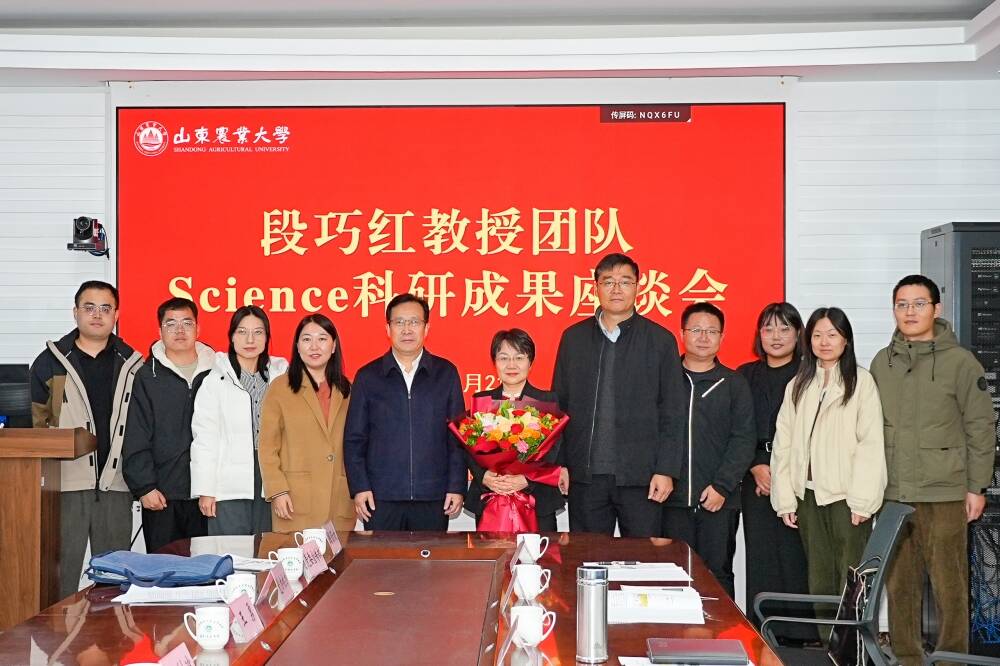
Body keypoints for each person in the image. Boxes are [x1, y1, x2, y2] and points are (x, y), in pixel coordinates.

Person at [870, 275, 996, 665]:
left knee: (950, 586)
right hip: (894, 494)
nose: (910, 312)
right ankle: (907, 656)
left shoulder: (961, 362)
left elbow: (981, 426)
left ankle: (952, 659)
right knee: (900, 585)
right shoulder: (882, 361)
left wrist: (977, 486)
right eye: (902, 304)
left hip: (945, 492)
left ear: (936, 309)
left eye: (919, 304)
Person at [552, 252, 686, 537]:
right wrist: (560, 463)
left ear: (637, 287)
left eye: (625, 282)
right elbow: (559, 406)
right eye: (608, 281)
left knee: (643, 559)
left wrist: (666, 470)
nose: (616, 289)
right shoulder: (573, 338)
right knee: (588, 556)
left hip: (642, 477)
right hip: (585, 476)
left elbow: (673, 412)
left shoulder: (660, 341)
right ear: (596, 287)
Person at [30, 280, 144, 597]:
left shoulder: (132, 363)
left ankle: (110, 632)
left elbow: (143, 427)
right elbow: (37, 425)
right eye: (89, 307)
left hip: (116, 485)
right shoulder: (50, 362)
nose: (97, 315)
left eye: (105, 308)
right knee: (59, 582)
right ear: (75, 312)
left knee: (116, 585)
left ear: (116, 315)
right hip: (65, 485)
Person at [770, 307, 886, 602]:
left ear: (846, 340)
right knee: (819, 579)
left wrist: (863, 501)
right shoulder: (798, 384)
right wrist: (785, 499)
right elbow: (783, 444)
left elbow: (871, 445)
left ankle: (852, 634)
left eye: (832, 335)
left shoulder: (861, 382)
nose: (824, 342)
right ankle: (826, 634)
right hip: (807, 497)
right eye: (817, 335)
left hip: (847, 498)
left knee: (852, 579)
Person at [344, 293, 466, 531]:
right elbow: (354, 439)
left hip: (433, 496)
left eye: (414, 322)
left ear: (426, 328)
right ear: (388, 328)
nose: (407, 329)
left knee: (430, 557)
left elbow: (457, 437)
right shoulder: (368, 377)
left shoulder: (445, 373)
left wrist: (456, 486)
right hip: (380, 497)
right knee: (383, 557)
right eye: (399, 322)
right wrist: (360, 487)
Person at [661, 303, 755, 598]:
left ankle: (722, 628)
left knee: (717, 574)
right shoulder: (665, 380)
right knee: (671, 574)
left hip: (719, 501)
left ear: (722, 337)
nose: (703, 337)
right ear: (682, 334)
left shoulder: (734, 383)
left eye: (711, 331)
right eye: (696, 330)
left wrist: (722, 486)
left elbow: (743, 439)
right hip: (671, 501)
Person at [738, 302, 814, 639]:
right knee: (762, 555)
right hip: (755, 477)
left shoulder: (811, 376)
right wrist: (756, 465)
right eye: (768, 329)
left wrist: (784, 472)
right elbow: (737, 429)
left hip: (799, 478)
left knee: (797, 555)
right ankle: (763, 630)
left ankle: (801, 633)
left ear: (798, 334)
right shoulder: (744, 376)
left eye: (785, 328)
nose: (776, 336)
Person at [123, 297, 214, 553]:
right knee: (163, 570)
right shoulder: (146, 376)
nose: (180, 330)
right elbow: (135, 433)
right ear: (159, 331)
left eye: (187, 323)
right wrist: (145, 486)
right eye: (171, 324)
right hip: (161, 496)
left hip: (208, 496)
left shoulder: (218, 372)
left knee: (207, 569)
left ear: (198, 328)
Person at [190, 306, 288, 536]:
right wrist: (206, 489)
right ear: (232, 336)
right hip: (228, 483)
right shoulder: (215, 380)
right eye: (242, 332)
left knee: (269, 546)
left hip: (272, 477)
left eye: (258, 332)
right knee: (230, 548)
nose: (250, 340)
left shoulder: (282, 377)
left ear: (267, 337)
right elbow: (204, 438)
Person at [258, 314, 355, 535]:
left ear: (333, 346)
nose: (314, 346)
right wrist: (277, 490)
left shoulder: (348, 389)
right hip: (295, 501)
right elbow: (267, 446)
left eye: (322, 338)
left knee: (338, 557)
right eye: (306, 339)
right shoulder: (280, 388)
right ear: (297, 346)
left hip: (338, 500)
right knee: (295, 556)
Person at [465, 329, 566, 531]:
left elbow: (554, 451)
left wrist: (526, 479)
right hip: (490, 498)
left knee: (540, 552)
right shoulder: (482, 401)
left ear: (530, 362)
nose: (511, 365)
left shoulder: (547, 401)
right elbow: (467, 448)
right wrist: (484, 476)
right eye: (504, 358)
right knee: (492, 551)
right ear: (495, 362)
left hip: (537, 501)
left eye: (519, 357)